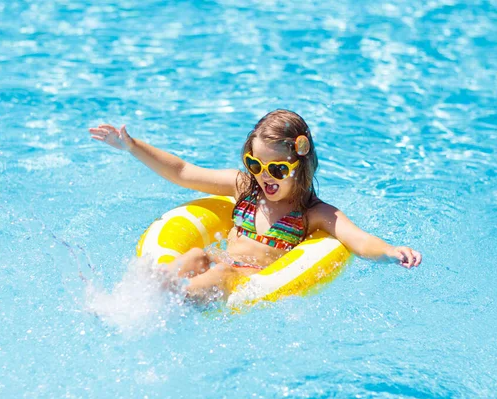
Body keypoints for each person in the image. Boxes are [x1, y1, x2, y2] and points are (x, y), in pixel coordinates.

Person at [89, 109, 422, 303]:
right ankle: (129, 302)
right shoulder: (244, 188)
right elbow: (183, 172)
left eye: (277, 169)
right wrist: (131, 146)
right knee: (196, 257)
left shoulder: (313, 213)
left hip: (242, 278)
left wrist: (392, 251)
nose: (265, 177)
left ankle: (163, 304)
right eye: (255, 164)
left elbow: (359, 240)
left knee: (220, 272)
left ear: (300, 166)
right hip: (222, 261)